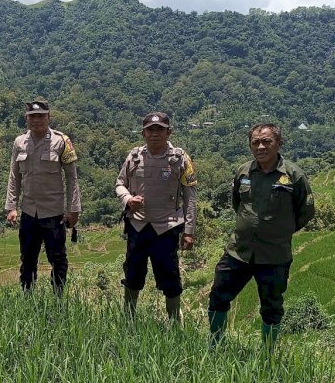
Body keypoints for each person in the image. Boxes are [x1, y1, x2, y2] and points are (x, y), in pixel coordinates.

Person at [207, 123, 315, 351]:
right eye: (255, 142)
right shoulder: (243, 172)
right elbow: (238, 203)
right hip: (239, 250)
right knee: (218, 295)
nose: (261, 146)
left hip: (274, 254)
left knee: (271, 306)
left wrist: (281, 230)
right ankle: (215, 346)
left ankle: (268, 354)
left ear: (279, 143)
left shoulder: (294, 176)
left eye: (266, 141)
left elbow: (306, 210)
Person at [115, 111, 198, 322]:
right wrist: (127, 199)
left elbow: (190, 197)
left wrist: (189, 231)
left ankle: (174, 322)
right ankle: (129, 319)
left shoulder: (180, 159)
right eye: (150, 130)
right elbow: (119, 184)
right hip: (138, 226)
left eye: (159, 129)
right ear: (143, 133)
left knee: (170, 277)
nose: (154, 134)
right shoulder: (134, 157)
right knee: (133, 275)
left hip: (167, 227)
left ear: (169, 132)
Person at [5, 98, 81, 295]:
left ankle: (58, 299)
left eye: (40, 116)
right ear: (26, 119)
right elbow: (14, 176)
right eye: (32, 117)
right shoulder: (19, 142)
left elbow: (72, 178)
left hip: (54, 213)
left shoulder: (61, 141)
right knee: (27, 259)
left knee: (57, 258)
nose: (36, 120)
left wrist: (73, 209)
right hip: (29, 211)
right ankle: (27, 298)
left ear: (49, 117)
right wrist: (11, 206)